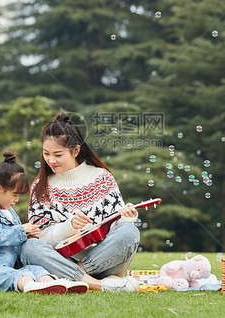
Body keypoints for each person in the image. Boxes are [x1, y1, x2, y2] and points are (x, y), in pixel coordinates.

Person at [20, 111, 141, 292]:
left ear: (76, 150)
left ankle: (75, 277)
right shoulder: (41, 186)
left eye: (58, 155)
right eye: (46, 153)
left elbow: (117, 229)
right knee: (29, 246)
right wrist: (69, 226)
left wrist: (126, 217)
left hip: (102, 262)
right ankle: (101, 285)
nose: (51, 160)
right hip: (62, 259)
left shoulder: (102, 178)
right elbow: (39, 235)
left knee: (130, 231)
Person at [0, 151, 88, 294]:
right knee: (19, 275)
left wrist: (29, 236)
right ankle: (30, 286)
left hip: (10, 267)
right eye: (14, 194)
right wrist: (22, 230)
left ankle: (54, 284)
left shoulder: (10, 213)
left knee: (36, 270)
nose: (17, 200)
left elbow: (14, 240)